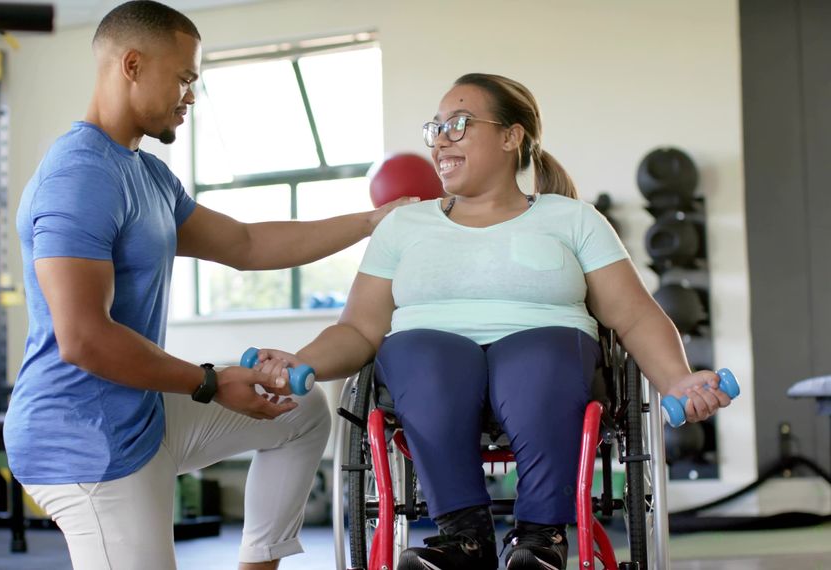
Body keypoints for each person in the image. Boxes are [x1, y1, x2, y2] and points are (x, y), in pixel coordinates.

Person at [250, 73, 732, 570]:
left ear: (510, 136)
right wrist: (300, 360)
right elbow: (358, 330)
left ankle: (541, 538)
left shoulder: (572, 219)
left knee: (539, 355)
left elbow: (633, 315)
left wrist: (678, 379)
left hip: (548, 361)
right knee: (421, 352)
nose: (440, 139)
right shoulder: (403, 226)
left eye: (458, 124)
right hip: (428, 367)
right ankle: (465, 539)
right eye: (434, 128)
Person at [2, 2, 412, 569]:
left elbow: (245, 244)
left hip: (139, 413)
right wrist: (208, 382)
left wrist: (370, 223)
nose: (191, 95)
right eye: (185, 77)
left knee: (298, 408)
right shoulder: (80, 177)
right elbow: (83, 339)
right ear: (133, 64)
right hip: (81, 440)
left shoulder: (146, 174)